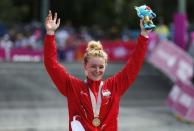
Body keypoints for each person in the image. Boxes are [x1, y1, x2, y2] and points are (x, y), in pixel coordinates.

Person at [44, 10, 151, 131]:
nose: (97, 70)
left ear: (105, 66)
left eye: (101, 67)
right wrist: (50, 33)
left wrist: (144, 35)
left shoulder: (114, 86)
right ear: (85, 66)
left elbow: (134, 65)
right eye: (93, 66)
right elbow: (51, 65)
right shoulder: (73, 87)